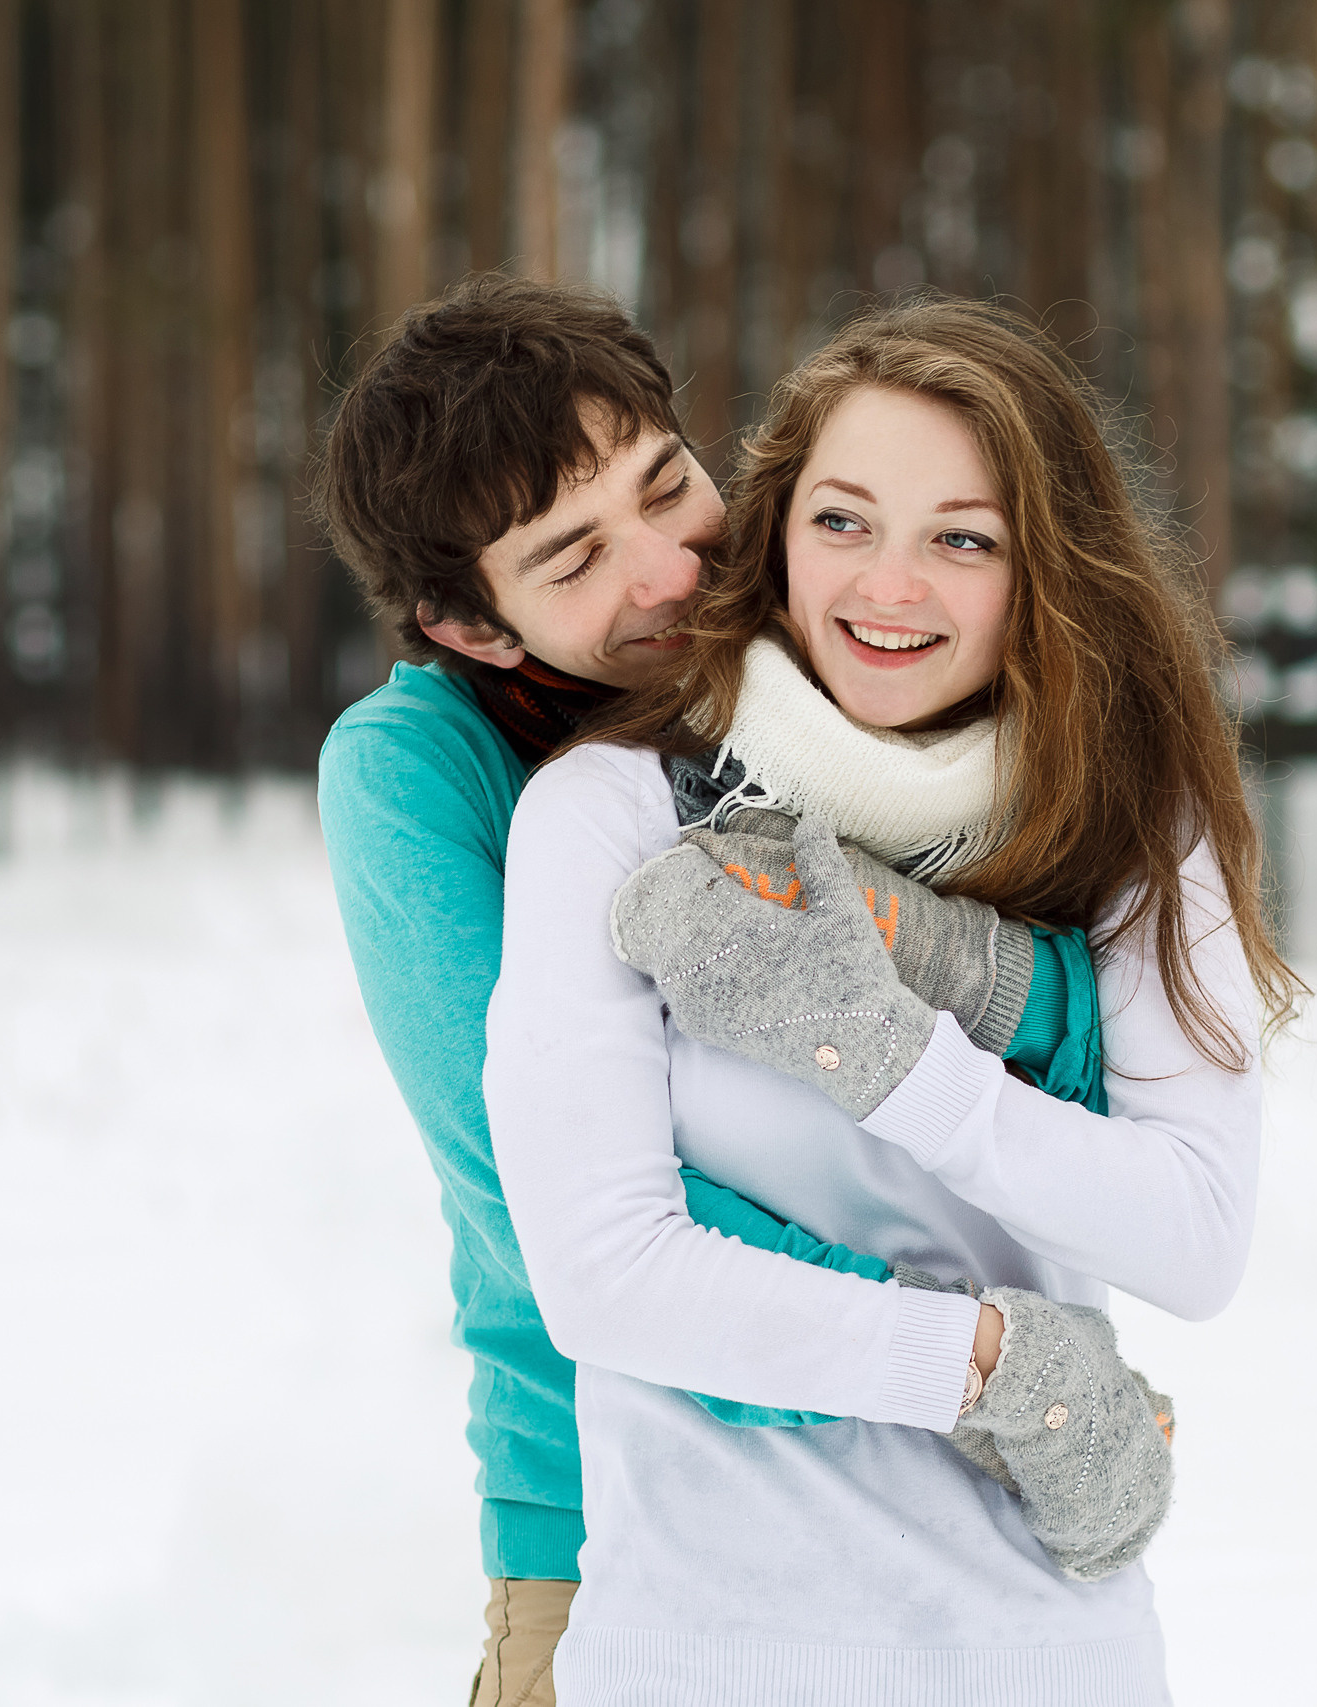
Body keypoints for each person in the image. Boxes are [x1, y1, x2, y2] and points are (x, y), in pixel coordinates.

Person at [313, 277, 1152, 1705]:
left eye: (665, 488)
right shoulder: (419, 777)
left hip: (972, 1537)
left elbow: (1090, 1038)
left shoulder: (833, 648)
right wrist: (974, 1366)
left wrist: (1014, 996)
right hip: (618, 1523)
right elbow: (541, 1208)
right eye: (573, 558)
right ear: (472, 626)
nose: (666, 572)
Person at [484, 297, 1301, 1704]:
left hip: (1042, 1660)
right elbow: (604, 1276)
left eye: (962, 539)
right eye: (844, 521)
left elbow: (1195, 1236)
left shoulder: (1124, 823)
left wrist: (891, 1061)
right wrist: (986, 1363)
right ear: (778, 528)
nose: (889, 587)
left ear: (1043, 568)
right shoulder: (616, 813)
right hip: (704, 1654)